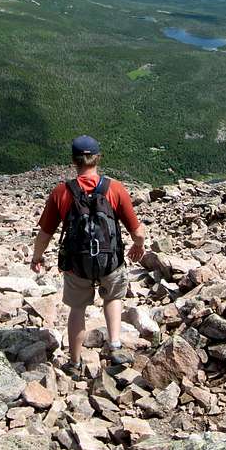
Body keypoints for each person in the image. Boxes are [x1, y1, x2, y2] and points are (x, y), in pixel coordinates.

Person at [31, 135, 146, 378]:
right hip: (110, 262)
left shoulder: (62, 192)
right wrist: (139, 245)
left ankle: (74, 363)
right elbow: (136, 230)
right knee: (113, 298)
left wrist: (37, 257)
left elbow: (45, 232)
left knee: (77, 309)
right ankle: (114, 346)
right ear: (98, 158)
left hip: (76, 265)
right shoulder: (114, 188)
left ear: (74, 160)